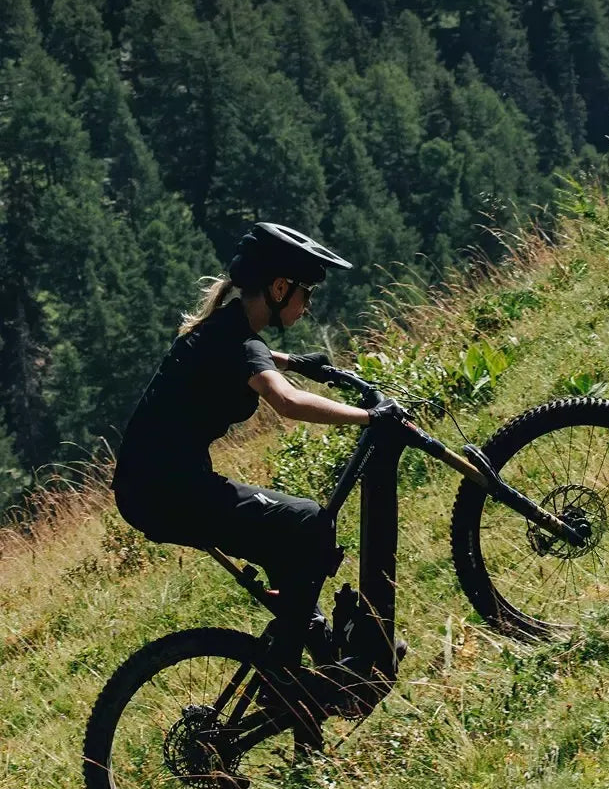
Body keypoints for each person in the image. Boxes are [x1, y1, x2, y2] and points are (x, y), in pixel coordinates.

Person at [112, 222, 402, 677]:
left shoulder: (224, 327)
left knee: (288, 538)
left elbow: (250, 357)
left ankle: (317, 645)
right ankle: (282, 677)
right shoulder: (239, 341)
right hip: (169, 494)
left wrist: (296, 363)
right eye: (306, 293)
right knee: (309, 521)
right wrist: (369, 417)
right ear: (280, 288)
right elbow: (286, 402)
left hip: (151, 488)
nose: (308, 305)